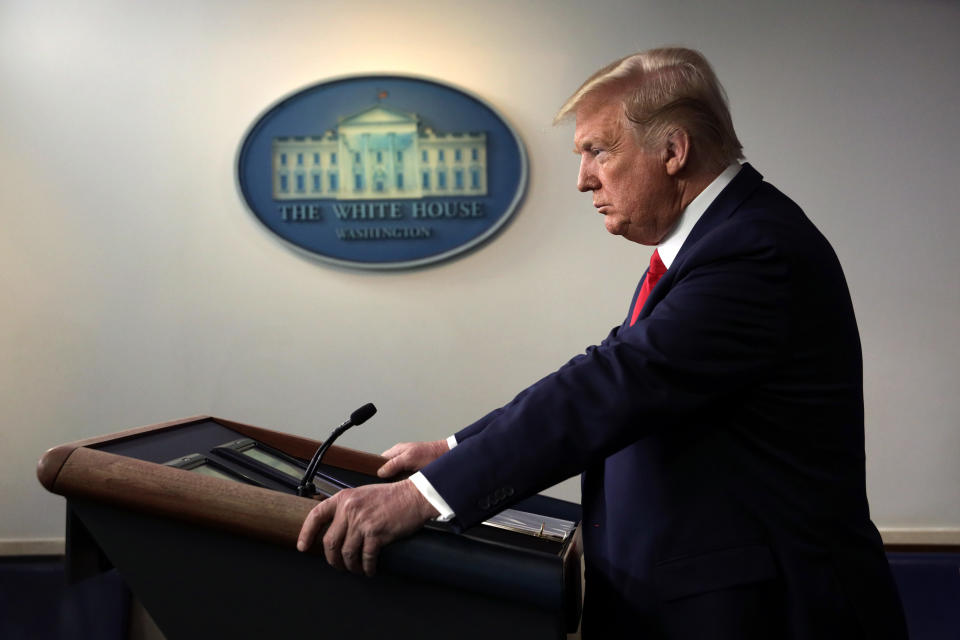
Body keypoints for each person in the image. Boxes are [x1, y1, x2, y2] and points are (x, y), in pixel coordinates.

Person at [298, 47, 908, 638]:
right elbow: (603, 370)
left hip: (773, 614)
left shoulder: (755, 251)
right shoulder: (716, 243)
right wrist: (451, 449)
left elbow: (613, 386)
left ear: (673, 150)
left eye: (598, 151)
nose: (584, 179)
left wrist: (423, 497)